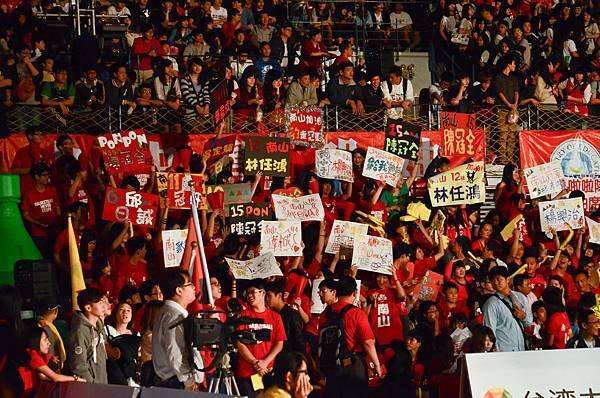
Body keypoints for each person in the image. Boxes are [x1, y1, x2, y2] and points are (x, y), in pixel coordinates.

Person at [319, 276, 382, 398]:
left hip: (330, 364)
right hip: (353, 366)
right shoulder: (357, 313)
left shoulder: (324, 314)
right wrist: (377, 365)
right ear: (355, 292)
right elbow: (368, 342)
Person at [152, 269, 204, 390]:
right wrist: (188, 380)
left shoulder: (169, 313)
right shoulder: (174, 316)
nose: (194, 287)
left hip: (174, 381)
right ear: (179, 290)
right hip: (177, 383)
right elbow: (175, 351)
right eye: (189, 284)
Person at [235, 279, 287, 398]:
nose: (249, 295)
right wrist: (255, 362)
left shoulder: (275, 317)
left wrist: (265, 363)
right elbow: (239, 343)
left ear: (262, 293)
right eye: (247, 293)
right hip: (246, 372)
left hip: (268, 372)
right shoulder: (242, 316)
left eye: (253, 292)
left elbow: (279, 343)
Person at [67, 288, 108, 383]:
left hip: (101, 382)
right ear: (88, 308)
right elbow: (78, 365)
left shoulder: (99, 325)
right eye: (100, 304)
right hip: (90, 387)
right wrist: (92, 384)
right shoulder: (79, 331)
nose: (104, 307)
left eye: (103, 303)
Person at [482, 266, 526, 352]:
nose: (496, 282)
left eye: (499, 279)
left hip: (521, 349)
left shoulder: (519, 298)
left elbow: (528, 323)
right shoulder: (491, 304)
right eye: (493, 280)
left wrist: (523, 316)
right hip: (503, 352)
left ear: (508, 279)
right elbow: (489, 331)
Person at [265, 281, 305, 353]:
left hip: (289, 356)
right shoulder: (271, 314)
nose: (267, 299)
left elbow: (298, 340)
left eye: (269, 296)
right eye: (265, 296)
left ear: (279, 295)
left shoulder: (292, 314)